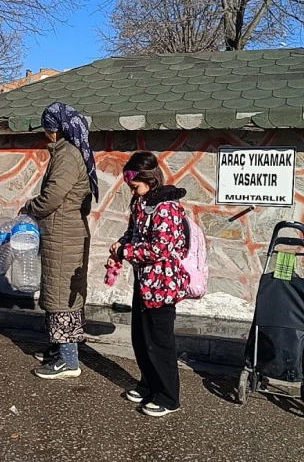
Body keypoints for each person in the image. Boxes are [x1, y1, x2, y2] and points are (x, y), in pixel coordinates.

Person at [21, 102, 99, 379]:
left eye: (47, 128)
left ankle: (68, 361)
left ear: (56, 128)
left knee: (60, 296)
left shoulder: (67, 154)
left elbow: (54, 196)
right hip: (65, 232)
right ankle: (60, 349)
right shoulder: (71, 152)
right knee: (63, 292)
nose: (45, 134)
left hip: (64, 235)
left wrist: (30, 207)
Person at [108, 151, 189, 417]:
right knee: (141, 338)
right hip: (144, 280)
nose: (133, 191)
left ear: (149, 179)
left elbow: (160, 248)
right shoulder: (140, 202)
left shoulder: (167, 207)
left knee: (160, 341)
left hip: (162, 283)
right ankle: (149, 383)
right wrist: (122, 243)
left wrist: (126, 253)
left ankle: (168, 396)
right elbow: (134, 232)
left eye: (135, 186)